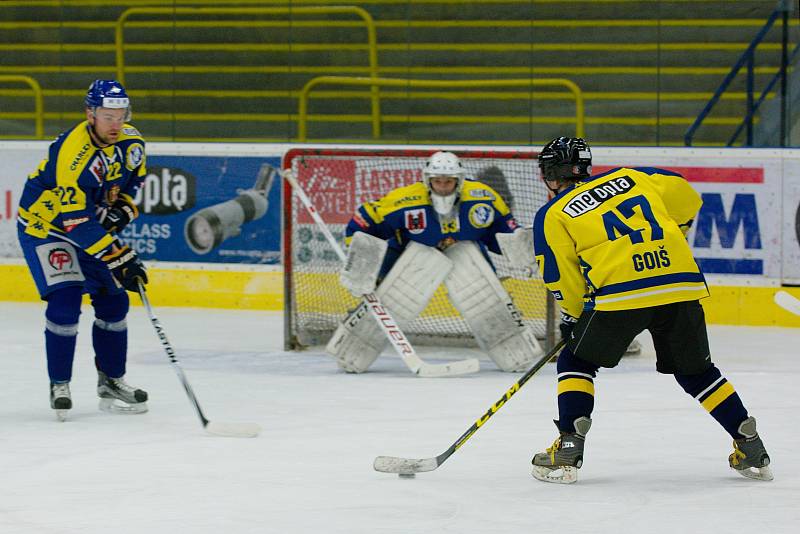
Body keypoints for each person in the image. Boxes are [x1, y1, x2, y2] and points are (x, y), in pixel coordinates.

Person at [529, 136, 772, 483]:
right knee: (698, 372)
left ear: (548, 174)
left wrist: (572, 315)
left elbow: (559, 274)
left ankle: (568, 447)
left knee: (576, 361)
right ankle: (750, 445)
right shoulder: (633, 177)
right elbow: (688, 196)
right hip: (680, 283)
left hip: (620, 294)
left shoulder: (552, 214)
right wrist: (679, 227)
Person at [327, 151, 542, 373]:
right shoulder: (405, 200)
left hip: (466, 252)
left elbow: (502, 231)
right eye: (437, 181)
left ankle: (516, 353)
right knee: (391, 299)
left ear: (459, 181)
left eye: (448, 181)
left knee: (483, 293)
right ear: (427, 180)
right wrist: (361, 263)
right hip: (407, 252)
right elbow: (363, 222)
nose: (442, 186)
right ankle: (351, 353)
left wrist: (519, 245)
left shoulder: (482, 198)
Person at [17, 79, 150, 421]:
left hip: (88, 227)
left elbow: (135, 184)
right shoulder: (71, 153)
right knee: (66, 301)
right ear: (90, 113)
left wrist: (125, 207)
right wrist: (121, 257)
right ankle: (59, 383)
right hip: (47, 228)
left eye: (121, 115)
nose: (116, 124)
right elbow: (75, 223)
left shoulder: (132, 143)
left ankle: (111, 381)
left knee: (114, 301)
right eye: (108, 116)